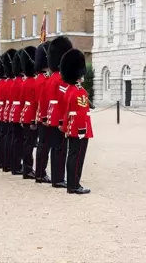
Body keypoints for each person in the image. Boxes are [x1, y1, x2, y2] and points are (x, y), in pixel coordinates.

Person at [61, 48, 93, 195]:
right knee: (78, 156)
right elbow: (80, 113)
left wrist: (66, 126)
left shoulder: (69, 90)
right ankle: (75, 185)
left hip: (71, 126)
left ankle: (71, 184)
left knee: (72, 155)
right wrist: (81, 129)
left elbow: (66, 110)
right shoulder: (79, 91)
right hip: (80, 127)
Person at [46, 36, 73, 189]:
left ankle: (57, 176)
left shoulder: (51, 78)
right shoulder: (61, 79)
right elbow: (65, 99)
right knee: (60, 148)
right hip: (59, 116)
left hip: (51, 114)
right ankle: (58, 178)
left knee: (55, 147)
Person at [34, 42, 52, 184]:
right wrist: (45, 116)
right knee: (44, 145)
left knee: (42, 144)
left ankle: (39, 172)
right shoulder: (45, 79)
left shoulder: (38, 78)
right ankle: (40, 173)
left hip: (39, 114)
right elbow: (43, 99)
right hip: (44, 116)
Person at [20, 46, 38, 179]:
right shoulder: (34, 83)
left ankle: (26, 167)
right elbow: (35, 102)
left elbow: (22, 101)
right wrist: (33, 119)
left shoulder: (24, 82)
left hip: (24, 113)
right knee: (30, 144)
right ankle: (28, 168)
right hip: (31, 115)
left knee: (26, 142)